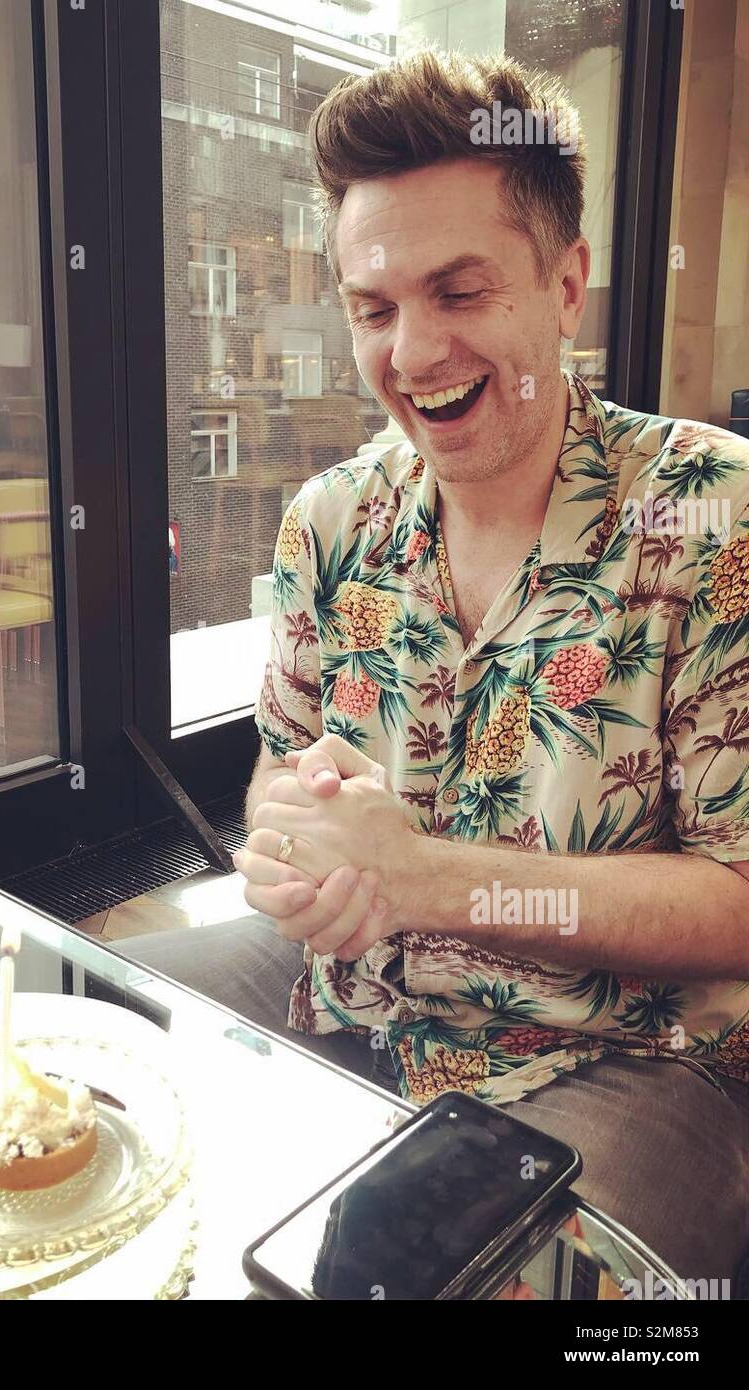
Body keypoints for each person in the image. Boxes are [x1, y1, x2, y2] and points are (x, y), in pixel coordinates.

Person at [122, 48, 749, 1290]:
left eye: (459, 290)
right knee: (97, 1068)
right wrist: (295, 854)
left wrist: (425, 881)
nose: (411, 352)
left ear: (565, 284)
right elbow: (274, 780)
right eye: (372, 308)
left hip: (622, 1054)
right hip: (345, 991)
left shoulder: (711, 519)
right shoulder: (327, 520)